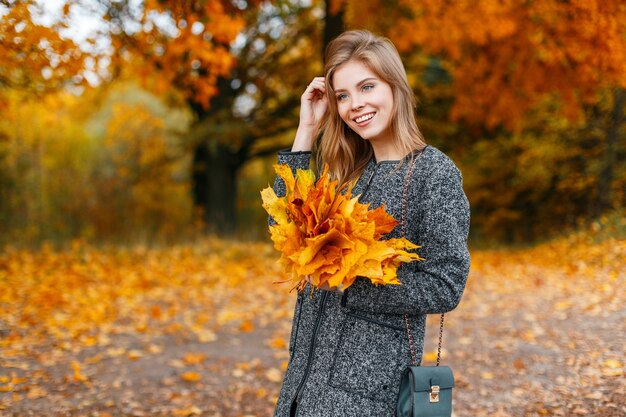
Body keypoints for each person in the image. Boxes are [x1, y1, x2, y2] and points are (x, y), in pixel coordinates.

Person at [270, 30, 470, 417]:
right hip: (302, 386)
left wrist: (350, 280)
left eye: (366, 87)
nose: (354, 104)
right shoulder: (347, 172)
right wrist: (307, 129)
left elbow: (446, 284)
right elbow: (284, 228)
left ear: (394, 85)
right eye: (342, 95)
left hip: (365, 396)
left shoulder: (434, 173)